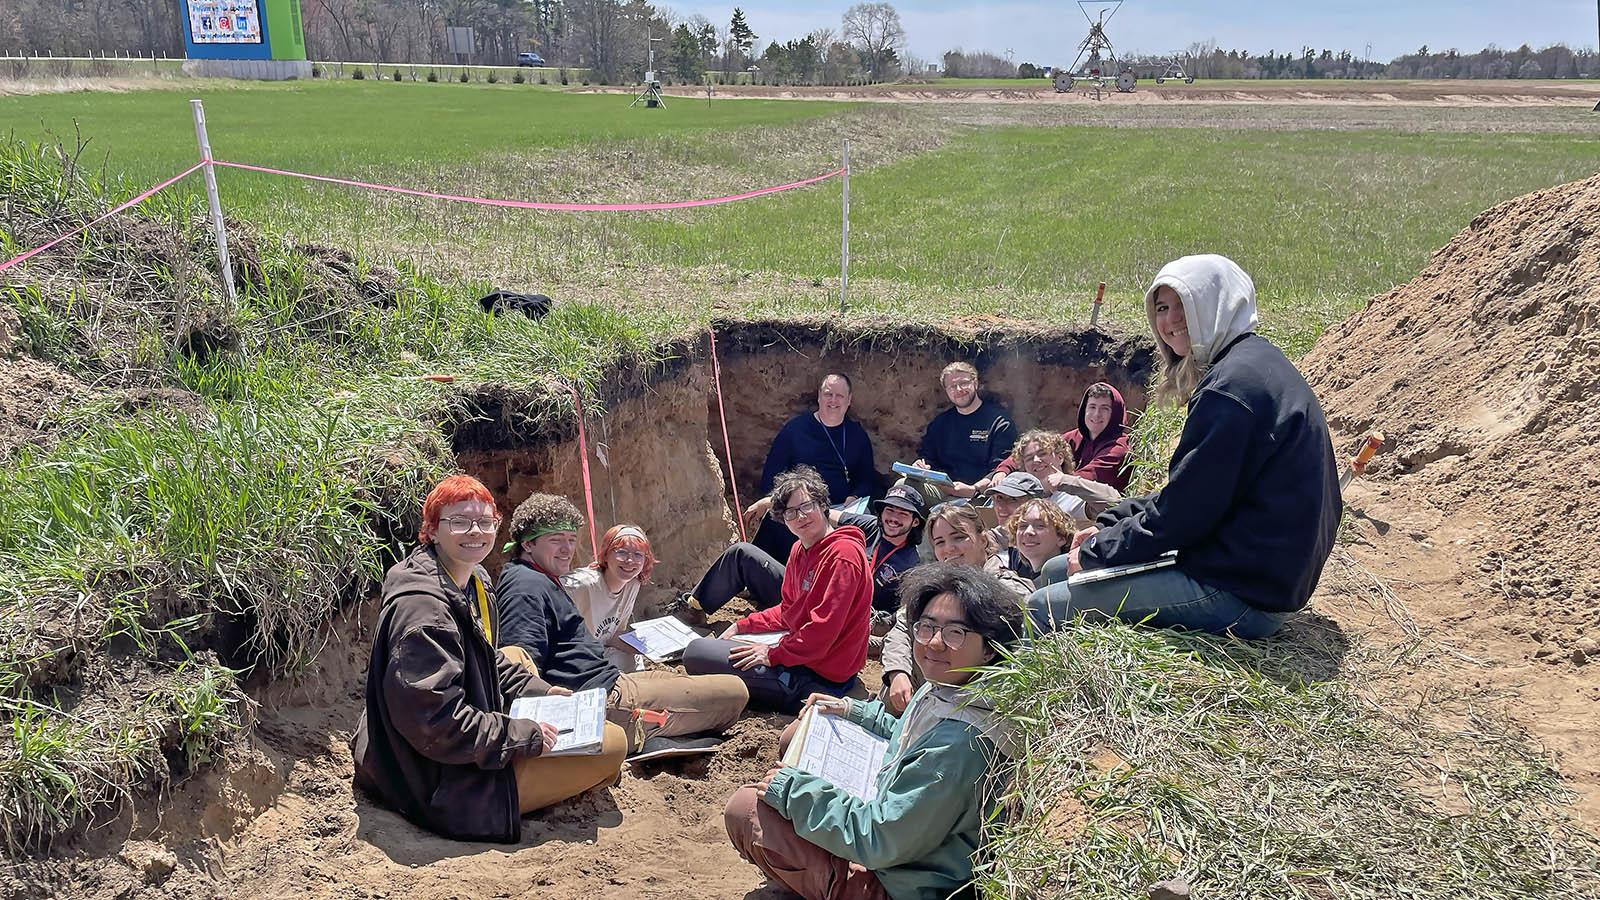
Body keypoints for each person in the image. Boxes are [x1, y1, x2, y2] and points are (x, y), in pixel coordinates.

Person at [1027, 254, 1341, 640]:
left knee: (1042, 606)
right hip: (1258, 568)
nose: (1170, 322)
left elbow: (1184, 515)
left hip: (1244, 592)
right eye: (1161, 308)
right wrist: (1109, 525)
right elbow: (1191, 491)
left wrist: (1098, 551)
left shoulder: (1230, 391)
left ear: (1216, 305)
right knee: (1054, 569)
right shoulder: (1253, 362)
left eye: (1185, 306)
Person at [724, 563, 1025, 900]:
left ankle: (832, 885)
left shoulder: (960, 746)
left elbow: (880, 838)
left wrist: (795, 791)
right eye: (925, 627)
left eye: (955, 632)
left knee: (746, 808)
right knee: (798, 734)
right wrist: (854, 711)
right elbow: (911, 731)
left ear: (989, 646)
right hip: (909, 844)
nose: (935, 643)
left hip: (903, 883)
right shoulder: (956, 684)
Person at [351, 475, 627, 843]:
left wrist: (540, 692)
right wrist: (520, 735)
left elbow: (485, 658)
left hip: (421, 755)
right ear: (431, 530)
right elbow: (435, 724)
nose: (475, 532)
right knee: (613, 743)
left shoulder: (470, 578)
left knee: (516, 658)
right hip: (436, 783)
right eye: (460, 522)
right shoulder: (425, 613)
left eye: (485, 522)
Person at [495, 493, 749, 754]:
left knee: (681, 680)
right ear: (528, 544)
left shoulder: (537, 577)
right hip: (600, 698)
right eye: (555, 540)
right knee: (735, 693)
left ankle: (661, 732)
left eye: (571, 540)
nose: (567, 550)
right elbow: (521, 662)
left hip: (608, 679)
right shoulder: (525, 589)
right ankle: (643, 736)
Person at [682, 466, 873, 713]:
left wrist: (772, 654)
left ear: (823, 505)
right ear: (783, 520)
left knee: (696, 653)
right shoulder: (800, 550)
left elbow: (823, 630)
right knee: (712, 650)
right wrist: (744, 625)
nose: (801, 517)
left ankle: (780, 694)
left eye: (806, 506)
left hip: (820, 676)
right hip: (804, 657)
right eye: (791, 512)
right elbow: (788, 609)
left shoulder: (842, 555)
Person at [675, 484, 924, 643]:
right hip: (803, 594)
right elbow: (824, 513)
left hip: (835, 620)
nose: (893, 518)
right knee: (743, 551)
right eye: (889, 510)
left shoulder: (912, 565)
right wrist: (771, 502)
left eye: (902, 513)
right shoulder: (871, 526)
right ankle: (694, 608)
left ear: (915, 522)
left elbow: (898, 618)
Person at [881, 503, 1030, 715]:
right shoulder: (937, 585)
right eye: (939, 542)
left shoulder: (1008, 591)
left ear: (983, 539)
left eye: (959, 537)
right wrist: (897, 672)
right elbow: (902, 626)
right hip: (916, 701)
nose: (949, 549)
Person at [745, 373, 879, 563]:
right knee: (774, 519)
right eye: (828, 394)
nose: (833, 400)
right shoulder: (795, 431)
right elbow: (772, 476)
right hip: (800, 507)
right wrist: (777, 499)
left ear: (849, 400)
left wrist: (855, 496)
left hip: (839, 510)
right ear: (818, 396)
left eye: (839, 396)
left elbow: (867, 479)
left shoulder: (857, 435)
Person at [992, 383, 1133, 492]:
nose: (1096, 414)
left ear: (1115, 413)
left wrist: (1053, 480)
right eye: (1092, 407)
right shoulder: (1076, 436)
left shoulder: (1119, 448)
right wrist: (1003, 470)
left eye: (1104, 408)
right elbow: (1032, 449)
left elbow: (1087, 477)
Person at [908, 362, 1017, 499]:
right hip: (944, 491)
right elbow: (928, 457)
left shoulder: (999, 422)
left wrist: (974, 489)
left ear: (975, 383)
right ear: (946, 391)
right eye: (952, 386)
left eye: (964, 383)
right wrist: (921, 465)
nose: (959, 389)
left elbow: (1001, 467)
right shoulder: (940, 424)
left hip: (981, 494)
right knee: (905, 484)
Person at [561, 524, 655, 674]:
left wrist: (653, 648)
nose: (630, 560)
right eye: (622, 552)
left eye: (638, 554)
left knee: (632, 658)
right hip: (574, 658)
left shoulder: (632, 584)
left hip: (600, 651)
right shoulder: (581, 586)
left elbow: (612, 636)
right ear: (605, 554)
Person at [1008, 428, 1120, 526]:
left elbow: (1114, 503)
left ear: (1060, 457)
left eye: (1042, 454)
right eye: (1029, 458)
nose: (1036, 460)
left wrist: (1065, 481)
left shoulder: (1073, 495)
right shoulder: (1025, 503)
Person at [998, 498, 1072, 584]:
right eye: (1023, 526)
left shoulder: (1071, 577)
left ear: (1061, 538)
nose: (1028, 531)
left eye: (1040, 526)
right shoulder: (1019, 582)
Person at [981, 471, 1049, 553]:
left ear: (1034, 504)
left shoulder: (1048, 538)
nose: (1000, 506)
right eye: (999, 498)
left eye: (1013, 499)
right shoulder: (987, 541)